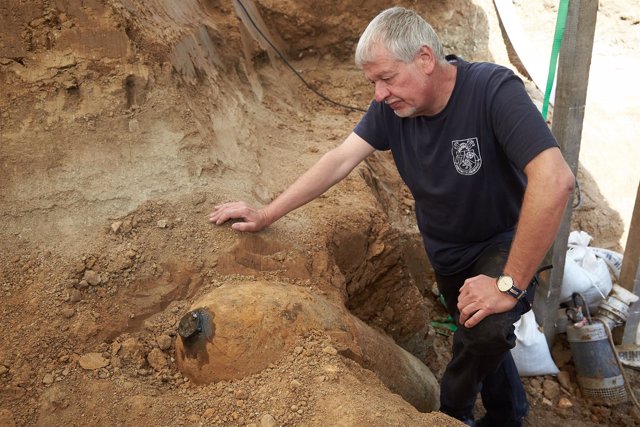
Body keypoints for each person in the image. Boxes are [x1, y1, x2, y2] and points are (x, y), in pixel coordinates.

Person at [209, 6, 574, 427]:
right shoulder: (392, 108)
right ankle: (511, 412)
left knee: (487, 326)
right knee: (478, 332)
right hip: (446, 251)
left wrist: (507, 284)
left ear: (424, 59)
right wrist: (266, 212)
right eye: (373, 82)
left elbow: (554, 179)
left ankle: (452, 412)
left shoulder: (492, 90)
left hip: (503, 241)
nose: (379, 94)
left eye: (386, 78)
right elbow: (340, 159)